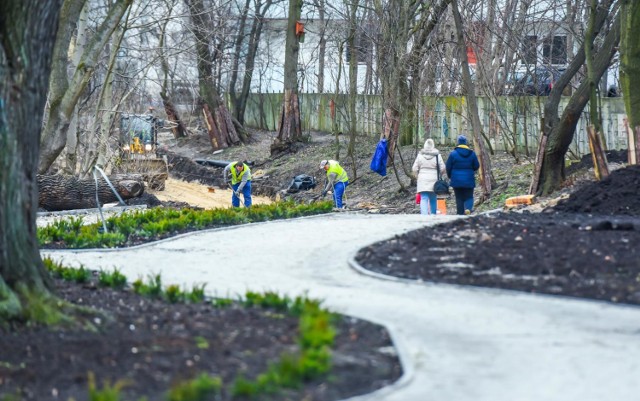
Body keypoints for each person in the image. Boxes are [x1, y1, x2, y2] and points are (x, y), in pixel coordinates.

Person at [445, 135, 479, 215]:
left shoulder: (453, 154)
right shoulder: (472, 154)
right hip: (469, 179)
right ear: (466, 143)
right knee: (469, 196)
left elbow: (448, 167)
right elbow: (476, 165)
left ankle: (459, 215)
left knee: (459, 198)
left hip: (456, 180)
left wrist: (450, 176)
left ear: (458, 143)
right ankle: (468, 209)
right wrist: (471, 171)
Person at [412, 138, 446, 215]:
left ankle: (424, 216)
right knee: (433, 198)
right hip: (434, 179)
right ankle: (433, 215)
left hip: (422, 179)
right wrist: (440, 175)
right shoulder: (437, 156)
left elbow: (414, 168)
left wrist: (418, 176)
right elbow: (443, 167)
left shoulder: (420, 155)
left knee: (423, 198)